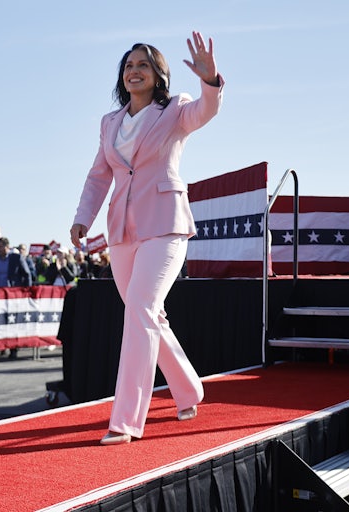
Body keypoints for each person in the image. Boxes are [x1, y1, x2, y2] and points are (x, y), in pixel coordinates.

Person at [70, 32, 223, 445]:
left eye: (143, 65)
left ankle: (126, 420)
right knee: (147, 314)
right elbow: (99, 175)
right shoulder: (110, 123)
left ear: (159, 75)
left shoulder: (176, 109)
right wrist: (83, 217)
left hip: (167, 224)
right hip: (122, 229)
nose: (134, 71)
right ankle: (189, 388)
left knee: (140, 308)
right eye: (128, 66)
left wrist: (211, 82)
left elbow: (204, 112)